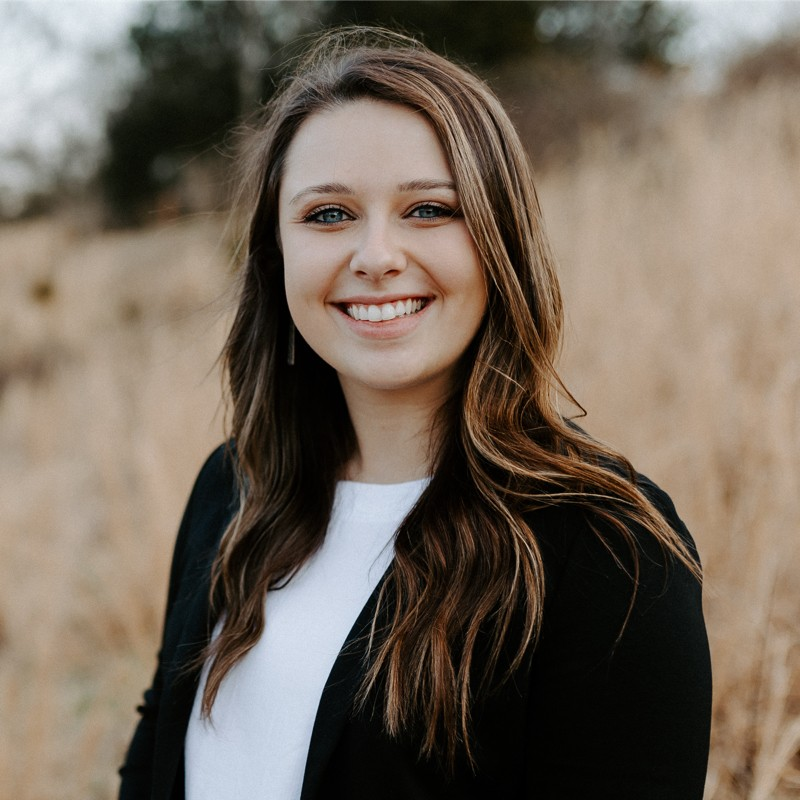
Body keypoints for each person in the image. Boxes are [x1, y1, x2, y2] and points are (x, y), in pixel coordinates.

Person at [118, 27, 712, 800]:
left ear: (501, 241)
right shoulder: (232, 491)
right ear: (276, 254)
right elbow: (154, 755)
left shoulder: (609, 553)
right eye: (327, 215)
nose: (375, 254)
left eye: (429, 209)